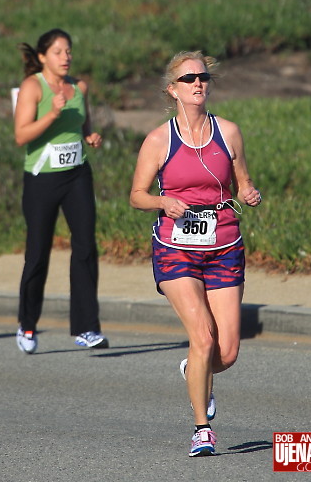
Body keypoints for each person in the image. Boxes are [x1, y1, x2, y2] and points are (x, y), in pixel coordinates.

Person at [129, 51, 261, 458]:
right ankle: (202, 429)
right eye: (188, 79)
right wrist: (162, 202)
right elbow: (137, 196)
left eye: (203, 77)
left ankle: (195, 369)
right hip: (176, 248)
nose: (198, 83)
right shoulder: (159, 140)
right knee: (202, 337)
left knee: (227, 351)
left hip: (224, 245)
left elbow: (242, 180)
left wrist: (248, 192)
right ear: (173, 90)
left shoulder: (229, 132)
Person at [14, 28, 108, 353]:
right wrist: (52, 113)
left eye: (68, 51)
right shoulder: (33, 86)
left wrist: (90, 136)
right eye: (58, 52)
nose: (65, 57)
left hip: (77, 175)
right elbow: (21, 135)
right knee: (38, 253)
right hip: (42, 179)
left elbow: (83, 123)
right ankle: (27, 325)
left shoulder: (78, 87)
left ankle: (87, 328)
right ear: (43, 57)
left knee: (85, 247)